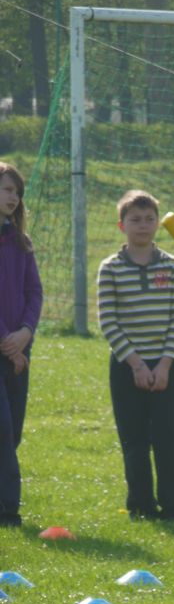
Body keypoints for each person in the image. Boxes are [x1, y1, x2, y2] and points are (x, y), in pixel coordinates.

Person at [97, 190, 174, 522]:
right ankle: (141, 505)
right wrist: (135, 363)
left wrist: (164, 364)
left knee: (168, 438)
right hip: (126, 367)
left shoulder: (172, 267)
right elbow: (108, 320)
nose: (143, 225)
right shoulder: (110, 268)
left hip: (165, 365)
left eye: (150, 219)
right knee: (134, 438)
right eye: (135, 220)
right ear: (122, 225)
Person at [0, 162, 43, 528]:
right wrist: (7, 342)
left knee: (13, 428)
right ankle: (8, 511)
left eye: (16, 191)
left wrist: (26, 332)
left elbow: (34, 292)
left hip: (18, 347)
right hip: (5, 347)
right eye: (6, 189)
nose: (13, 197)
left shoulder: (21, 243)